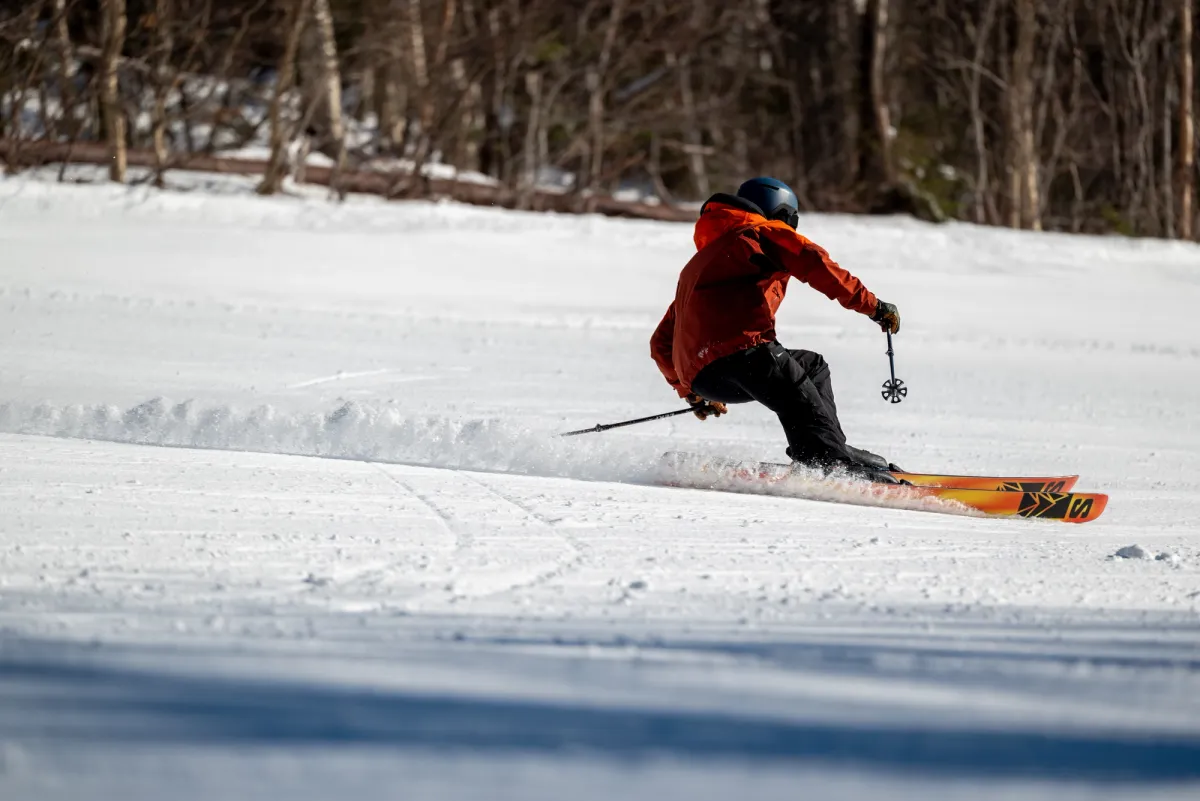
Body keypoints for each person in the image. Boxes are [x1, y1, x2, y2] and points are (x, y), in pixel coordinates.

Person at [650, 177, 903, 483]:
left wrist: (693, 394)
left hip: (705, 379)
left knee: (811, 366)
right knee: (793, 385)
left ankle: (831, 447)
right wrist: (873, 306)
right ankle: (827, 460)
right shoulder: (761, 232)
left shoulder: (698, 266)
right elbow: (816, 263)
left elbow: (661, 342)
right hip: (745, 354)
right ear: (781, 214)